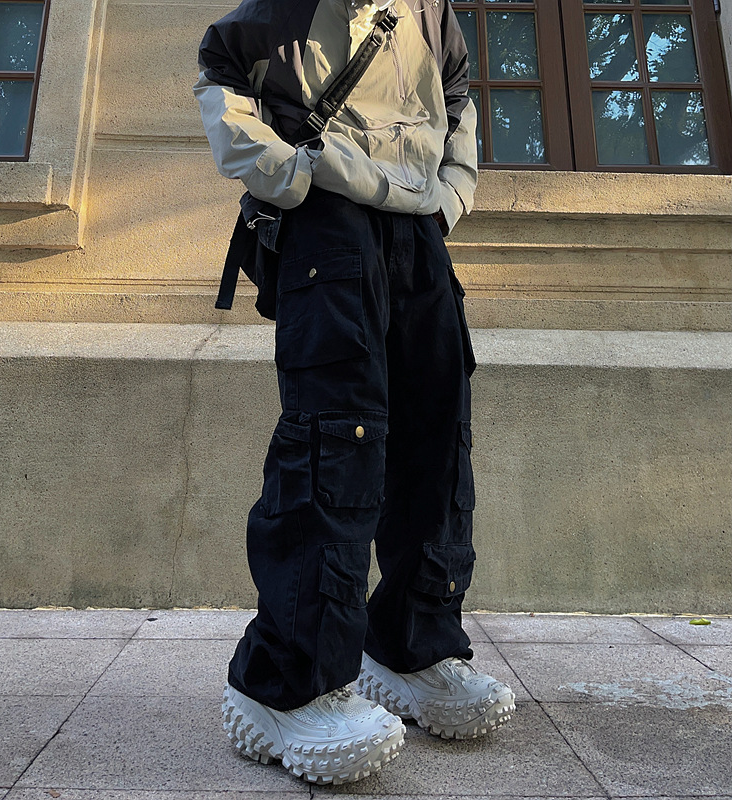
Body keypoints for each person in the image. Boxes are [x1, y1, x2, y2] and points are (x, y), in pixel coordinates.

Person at [194, 0, 515, 785]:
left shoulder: (432, 14)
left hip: (418, 233)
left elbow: (459, 99)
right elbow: (221, 84)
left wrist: (450, 194)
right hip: (327, 229)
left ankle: (411, 647)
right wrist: (296, 176)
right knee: (333, 443)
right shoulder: (272, 16)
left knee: (439, 438)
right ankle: (283, 682)